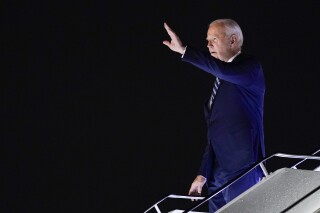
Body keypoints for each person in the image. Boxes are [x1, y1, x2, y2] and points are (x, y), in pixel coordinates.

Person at [163, 19, 266, 212]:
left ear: (233, 40)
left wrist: (185, 51)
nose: (208, 45)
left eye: (214, 39)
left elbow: (222, 70)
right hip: (217, 176)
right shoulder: (219, 85)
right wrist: (203, 174)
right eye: (207, 40)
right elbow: (213, 137)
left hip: (243, 167)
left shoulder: (250, 69)